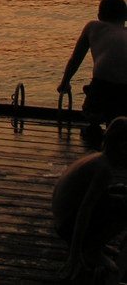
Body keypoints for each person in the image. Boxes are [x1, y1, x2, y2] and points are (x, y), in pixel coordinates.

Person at [52, 116, 127, 283]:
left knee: (117, 197)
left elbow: (88, 195)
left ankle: (96, 244)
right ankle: (92, 249)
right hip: (68, 226)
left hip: (62, 222)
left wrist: (113, 190)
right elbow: (84, 210)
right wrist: (74, 252)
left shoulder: (97, 157)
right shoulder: (104, 170)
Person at [58, 0, 127, 139]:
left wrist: (65, 82)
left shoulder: (93, 27)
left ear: (99, 15)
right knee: (118, 117)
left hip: (102, 87)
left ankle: (94, 122)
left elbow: (75, 60)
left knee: (93, 115)